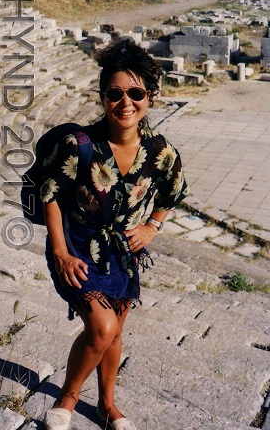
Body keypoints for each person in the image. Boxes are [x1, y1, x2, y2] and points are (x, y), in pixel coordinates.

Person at [40, 38, 189, 430]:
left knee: (115, 329)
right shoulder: (81, 145)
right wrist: (59, 251)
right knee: (102, 327)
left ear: (150, 97)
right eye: (116, 93)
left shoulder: (161, 152)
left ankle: (107, 405)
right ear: (103, 96)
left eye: (136, 93)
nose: (126, 103)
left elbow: (174, 193)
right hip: (76, 246)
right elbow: (50, 195)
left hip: (124, 251)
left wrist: (152, 227)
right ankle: (68, 397)